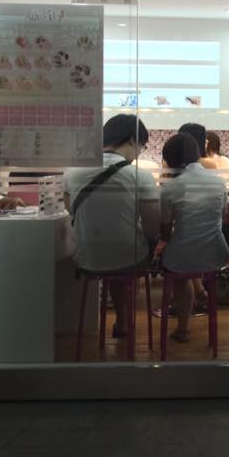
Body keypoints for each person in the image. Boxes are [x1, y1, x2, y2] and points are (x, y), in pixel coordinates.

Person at [63, 114, 160, 339]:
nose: (140, 153)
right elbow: (152, 227)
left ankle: (120, 322)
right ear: (132, 140)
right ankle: (124, 322)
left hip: (86, 258)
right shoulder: (140, 176)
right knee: (128, 253)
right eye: (142, 146)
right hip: (128, 259)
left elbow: (70, 210)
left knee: (116, 254)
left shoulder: (72, 171)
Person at [159, 133, 229, 342]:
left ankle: (183, 328)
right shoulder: (219, 183)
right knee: (188, 255)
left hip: (181, 256)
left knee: (179, 271)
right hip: (215, 254)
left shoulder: (170, 188)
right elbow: (221, 217)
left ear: (171, 160)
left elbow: (165, 232)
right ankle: (201, 295)